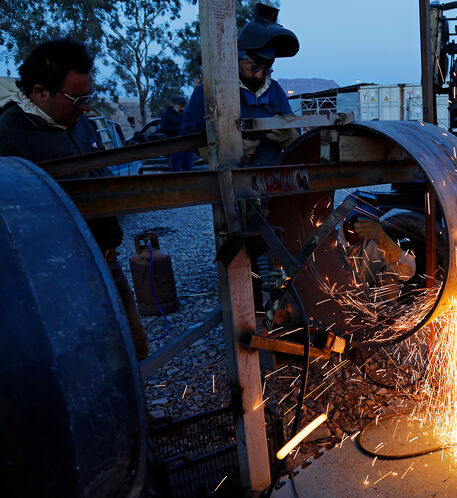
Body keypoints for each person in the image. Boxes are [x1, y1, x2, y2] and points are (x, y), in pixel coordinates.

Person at [0, 39, 148, 360]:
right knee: (92, 363)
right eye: (77, 98)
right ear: (40, 92)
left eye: (88, 96)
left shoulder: (76, 122)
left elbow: (100, 176)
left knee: (134, 351)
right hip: (61, 279)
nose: (85, 107)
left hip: (107, 261)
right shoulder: (10, 139)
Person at [182, 3, 299, 167]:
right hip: (231, 184)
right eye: (254, 66)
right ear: (237, 56)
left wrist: (289, 136)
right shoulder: (209, 91)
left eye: (266, 68)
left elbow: (296, 134)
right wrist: (223, 151)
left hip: (272, 183)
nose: (260, 75)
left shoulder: (275, 91)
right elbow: (188, 137)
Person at [159, 95, 192, 171]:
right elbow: (163, 129)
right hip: (175, 146)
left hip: (187, 146)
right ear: (175, 104)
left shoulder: (185, 114)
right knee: (176, 169)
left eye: (183, 106)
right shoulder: (166, 115)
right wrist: (179, 129)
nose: (182, 108)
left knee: (188, 169)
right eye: (180, 106)